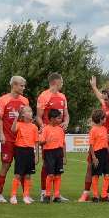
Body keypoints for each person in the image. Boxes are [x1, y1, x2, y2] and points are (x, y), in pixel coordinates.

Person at [79, 78, 109, 202]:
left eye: (106, 99)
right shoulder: (104, 104)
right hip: (96, 143)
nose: (103, 100)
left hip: (107, 143)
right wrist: (94, 86)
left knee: (108, 169)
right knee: (90, 166)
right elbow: (99, 96)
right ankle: (86, 193)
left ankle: (105, 193)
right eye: (104, 98)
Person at [0, 76, 31, 202]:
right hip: (8, 139)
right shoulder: (3, 100)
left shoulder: (25, 101)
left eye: (24, 85)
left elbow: (26, 120)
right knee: (6, 165)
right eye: (21, 85)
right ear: (14, 85)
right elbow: (0, 119)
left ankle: (26, 195)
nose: (23, 88)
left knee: (24, 168)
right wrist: (1, 134)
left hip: (21, 140)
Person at [36, 72, 69, 202]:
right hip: (48, 136)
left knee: (58, 167)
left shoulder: (62, 96)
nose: (62, 84)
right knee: (46, 165)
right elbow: (38, 116)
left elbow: (66, 114)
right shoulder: (44, 96)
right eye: (61, 82)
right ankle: (44, 192)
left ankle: (56, 194)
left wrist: (66, 122)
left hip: (59, 134)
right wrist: (44, 128)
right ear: (55, 82)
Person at [10, 106, 38, 205]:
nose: (30, 113)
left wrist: (36, 155)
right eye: (28, 111)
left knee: (28, 175)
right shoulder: (19, 124)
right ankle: (13, 196)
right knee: (18, 174)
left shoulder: (34, 127)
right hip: (20, 151)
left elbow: (36, 142)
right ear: (23, 114)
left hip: (30, 151)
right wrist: (15, 118)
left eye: (31, 111)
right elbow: (13, 130)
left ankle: (26, 195)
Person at [39, 108, 66, 203]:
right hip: (49, 153)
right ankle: (47, 195)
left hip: (59, 153)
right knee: (50, 175)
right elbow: (40, 142)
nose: (60, 120)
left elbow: (63, 143)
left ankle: (57, 196)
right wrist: (45, 141)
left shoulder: (60, 130)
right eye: (59, 118)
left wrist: (64, 157)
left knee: (58, 175)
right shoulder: (45, 129)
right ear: (52, 119)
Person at [88, 109, 109, 202]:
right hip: (97, 154)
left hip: (105, 153)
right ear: (100, 119)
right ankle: (95, 196)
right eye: (104, 118)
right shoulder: (93, 130)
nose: (105, 119)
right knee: (95, 175)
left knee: (108, 174)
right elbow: (91, 145)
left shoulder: (104, 129)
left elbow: (105, 143)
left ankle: (104, 195)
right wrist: (94, 157)